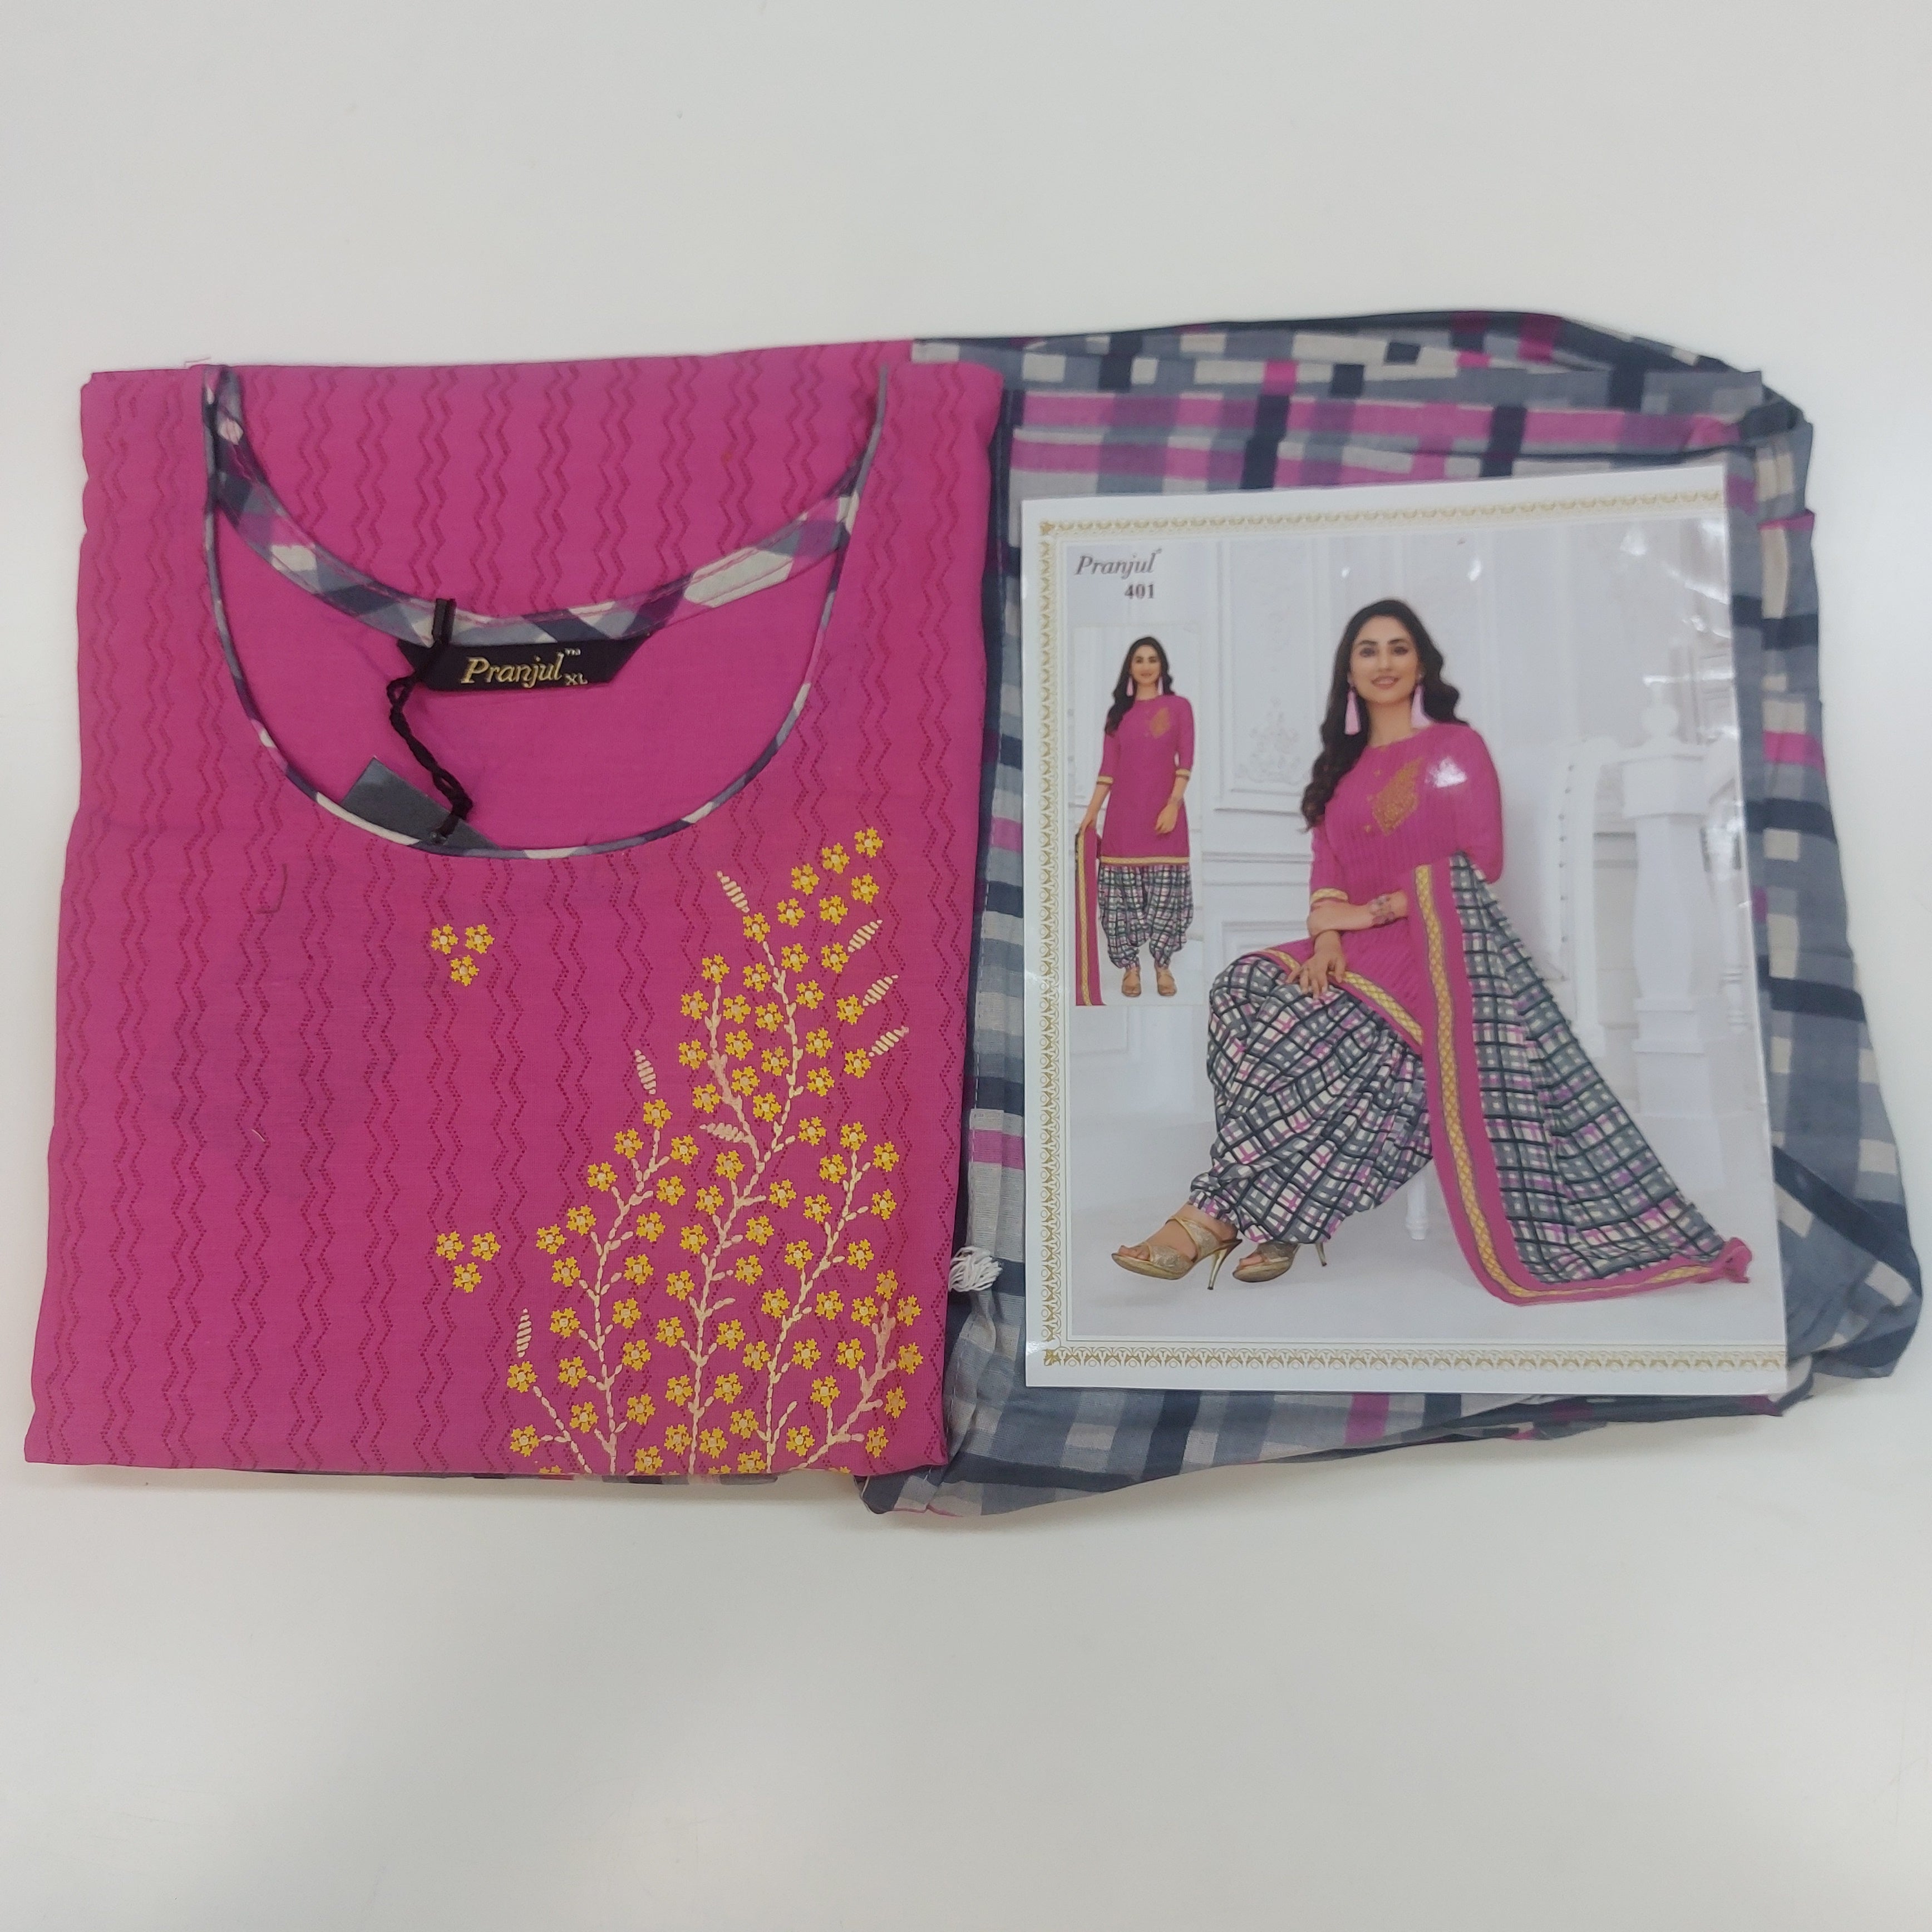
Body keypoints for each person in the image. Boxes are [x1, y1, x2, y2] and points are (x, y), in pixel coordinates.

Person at [1112, 598, 1749, 1301]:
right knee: (1242, 990)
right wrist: (1327, 938)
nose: (1383, 662)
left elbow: (1482, 860)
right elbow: (1326, 875)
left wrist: (1369, 913)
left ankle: (1210, 1216)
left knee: (1321, 1030)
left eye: (1398, 648)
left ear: (1420, 665)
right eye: (1368, 650)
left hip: (1439, 945)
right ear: (1348, 671)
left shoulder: (1454, 748)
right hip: (1352, 947)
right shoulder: (1339, 770)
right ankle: (1287, 1215)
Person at [1075, 638, 1195, 998]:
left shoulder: (1178, 707)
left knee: (1165, 897)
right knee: (1121, 899)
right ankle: (1131, 967)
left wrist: (1173, 804)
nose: (1146, 666)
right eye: (1139, 660)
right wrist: (1090, 815)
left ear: (1162, 666)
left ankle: (1162, 965)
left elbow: (1186, 760)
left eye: (1152, 659)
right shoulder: (1118, 715)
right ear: (1130, 667)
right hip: (1123, 819)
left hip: (1165, 817)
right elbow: (1107, 770)